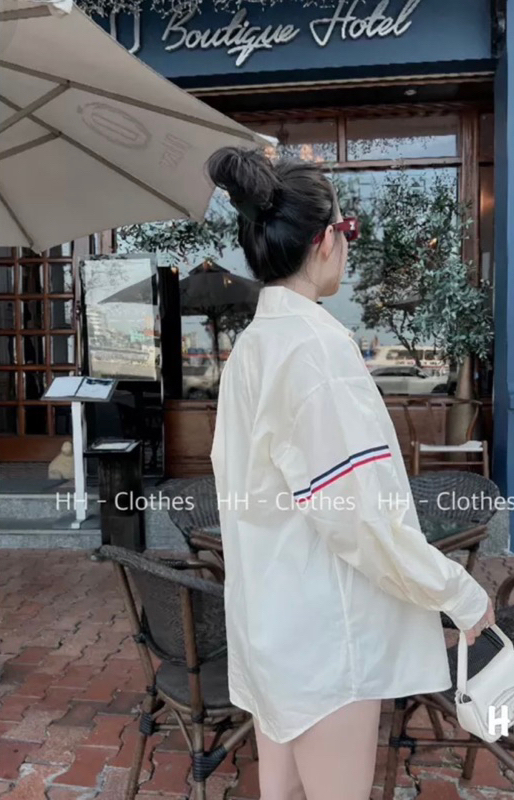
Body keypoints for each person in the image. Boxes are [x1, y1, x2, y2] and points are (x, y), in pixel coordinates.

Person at [207, 147, 495, 800]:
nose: (348, 244)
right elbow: (359, 516)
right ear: (324, 241)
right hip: (325, 634)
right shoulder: (314, 350)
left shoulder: (254, 346)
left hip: (270, 622)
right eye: (348, 229)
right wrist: (457, 592)